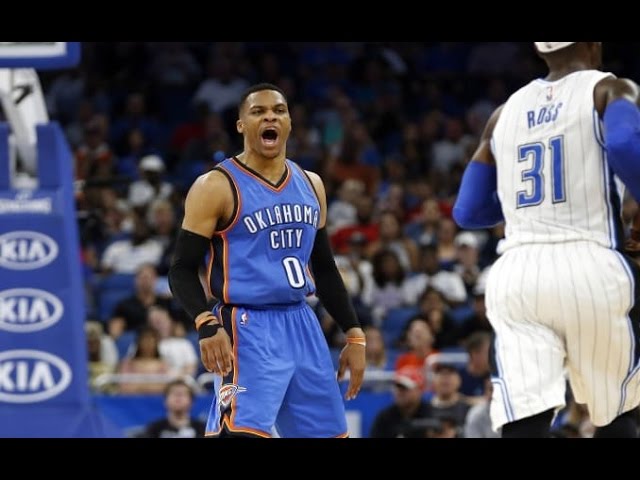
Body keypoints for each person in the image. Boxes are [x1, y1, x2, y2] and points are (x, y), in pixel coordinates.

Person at [453, 42, 640, 438]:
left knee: (526, 419)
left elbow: (468, 211)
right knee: (619, 411)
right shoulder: (611, 89)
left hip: (518, 273)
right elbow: (624, 144)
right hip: (592, 265)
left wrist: (534, 211)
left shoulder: (503, 113)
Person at [168, 83, 366, 438]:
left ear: (289, 122)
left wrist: (354, 333)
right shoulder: (215, 185)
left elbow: (323, 267)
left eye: (279, 110)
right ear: (241, 124)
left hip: (302, 322)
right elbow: (181, 268)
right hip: (247, 326)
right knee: (240, 432)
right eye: (258, 112)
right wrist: (205, 324)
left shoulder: (312, 184)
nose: (270, 116)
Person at [137, 378, 206, 438]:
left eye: (183, 394)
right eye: (174, 393)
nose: (178, 397)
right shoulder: (154, 429)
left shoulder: (202, 429)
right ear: (165, 401)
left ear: (191, 402)